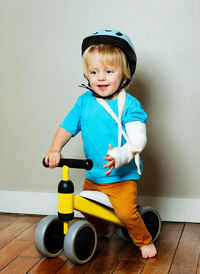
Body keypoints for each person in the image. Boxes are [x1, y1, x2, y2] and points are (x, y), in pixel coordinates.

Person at [45, 29, 157, 258]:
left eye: (108, 71)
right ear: (87, 75)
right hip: (94, 176)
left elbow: (138, 140)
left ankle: (144, 239)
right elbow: (66, 127)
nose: (101, 78)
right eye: (94, 72)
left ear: (125, 74)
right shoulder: (84, 102)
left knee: (126, 214)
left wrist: (121, 155)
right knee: (88, 208)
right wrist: (55, 148)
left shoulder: (129, 104)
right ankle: (101, 229)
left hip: (121, 178)